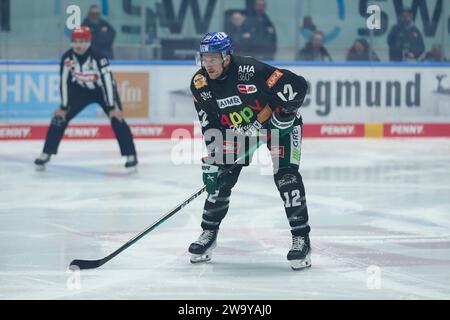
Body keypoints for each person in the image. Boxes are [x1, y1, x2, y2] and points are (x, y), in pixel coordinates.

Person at [188, 32, 311, 270]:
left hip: (278, 128)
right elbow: (210, 124)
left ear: (226, 57)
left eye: (214, 58)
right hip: (240, 132)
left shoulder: (249, 70)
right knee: (221, 177)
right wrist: (215, 158)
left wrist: (283, 114)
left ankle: (301, 238)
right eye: (205, 58)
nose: (208, 64)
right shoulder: (199, 84)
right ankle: (208, 234)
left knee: (286, 177)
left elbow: (296, 84)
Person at [34, 27, 138, 170]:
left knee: (117, 119)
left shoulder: (99, 57)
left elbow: (108, 82)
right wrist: (63, 107)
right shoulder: (67, 58)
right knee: (59, 119)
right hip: (81, 91)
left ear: (89, 42)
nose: (78, 45)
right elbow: (64, 82)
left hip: (103, 91)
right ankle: (46, 153)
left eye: (82, 41)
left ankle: (130, 155)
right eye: (75, 41)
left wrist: (112, 107)